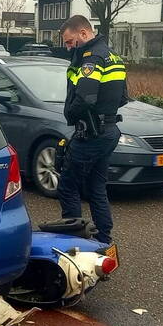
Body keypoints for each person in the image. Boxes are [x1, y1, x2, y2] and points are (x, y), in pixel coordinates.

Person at [57, 15, 128, 245]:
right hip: (109, 130)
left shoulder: (92, 58)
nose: (68, 47)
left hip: (91, 134)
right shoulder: (113, 56)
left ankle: (74, 242)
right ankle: (103, 240)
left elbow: (85, 97)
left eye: (70, 41)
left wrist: (71, 115)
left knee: (68, 185)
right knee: (97, 187)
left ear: (84, 34)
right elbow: (124, 97)